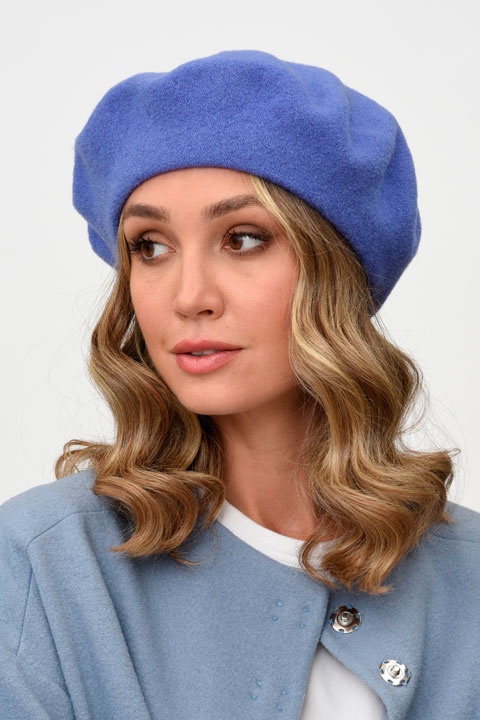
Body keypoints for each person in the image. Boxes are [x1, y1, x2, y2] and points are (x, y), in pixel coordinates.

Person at [0, 50, 478, 720]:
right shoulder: (43, 565)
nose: (189, 296)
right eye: (150, 246)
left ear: (337, 270)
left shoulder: (467, 576)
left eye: (244, 238)